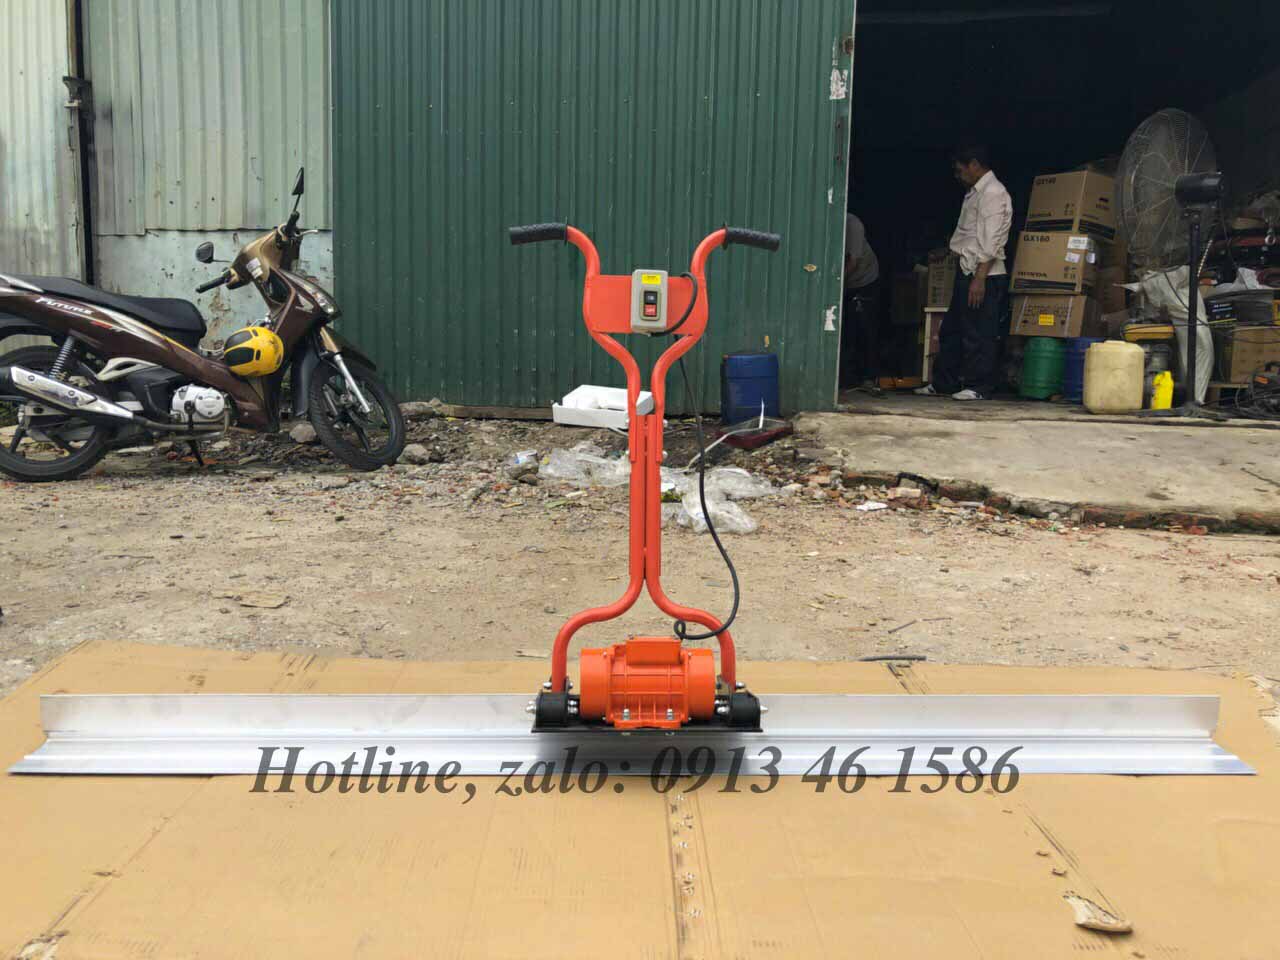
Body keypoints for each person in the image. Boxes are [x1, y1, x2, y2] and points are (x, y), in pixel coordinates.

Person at [916, 142, 1012, 401]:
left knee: (979, 333)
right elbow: (969, 236)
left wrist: (979, 279)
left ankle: (978, 386)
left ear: (974, 165)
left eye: (960, 170)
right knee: (953, 330)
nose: (958, 176)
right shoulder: (975, 193)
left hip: (984, 275)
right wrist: (948, 251)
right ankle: (944, 383)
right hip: (967, 270)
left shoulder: (993, 193)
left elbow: (991, 241)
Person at [840, 212, 881, 390]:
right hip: (845, 281)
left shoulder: (853, 224)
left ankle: (869, 377)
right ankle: (847, 378)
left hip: (865, 280)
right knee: (847, 330)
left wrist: (838, 282)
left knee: (865, 328)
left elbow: (853, 261)